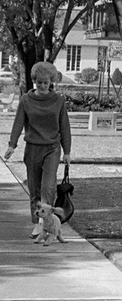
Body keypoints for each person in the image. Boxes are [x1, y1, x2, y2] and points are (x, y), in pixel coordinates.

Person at [4, 62, 72, 237]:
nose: (42, 86)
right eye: (39, 82)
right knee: (34, 188)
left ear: (51, 82)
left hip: (52, 149)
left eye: (46, 82)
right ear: (34, 81)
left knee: (47, 187)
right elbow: (18, 123)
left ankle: (44, 223)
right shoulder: (26, 100)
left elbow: (64, 126)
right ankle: (37, 222)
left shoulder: (58, 101)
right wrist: (12, 145)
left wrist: (67, 151)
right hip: (33, 148)